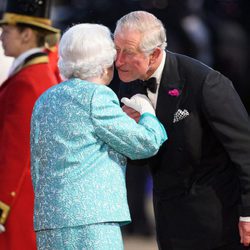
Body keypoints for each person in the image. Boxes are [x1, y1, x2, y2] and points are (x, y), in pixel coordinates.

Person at [114, 10, 250, 250]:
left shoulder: (205, 83)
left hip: (217, 224)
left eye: (128, 52)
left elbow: (245, 151)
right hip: (168, 221)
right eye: (116, 50)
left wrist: (248, 214)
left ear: (155, 54)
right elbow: (143, 158)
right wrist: (131, 133)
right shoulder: (128, 82)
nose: (118, 61)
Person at [30, 23, 167, 250]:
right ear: (105, 65)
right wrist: (147, 113)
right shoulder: (98, 96)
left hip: (49, 220)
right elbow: (145, 143)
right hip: (92, 220)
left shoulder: (45, 99)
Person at [0, 0, 60, 249]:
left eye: (7, 30)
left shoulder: (28, 81)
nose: (2, 35)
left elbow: (17, 151)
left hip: (17, 201)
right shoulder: (33, 73)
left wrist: (2, 202)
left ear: (26, 34)